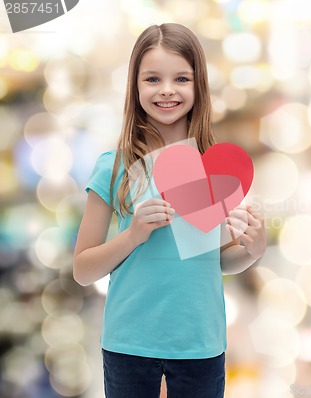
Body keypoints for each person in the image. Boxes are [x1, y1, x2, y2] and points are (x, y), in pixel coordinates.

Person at [73, 23, 266, 398]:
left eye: (181, 78)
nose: (166, 90)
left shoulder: (218, 167)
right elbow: (82, 270)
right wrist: (133, 235)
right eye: (152, 79)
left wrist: (253, 249)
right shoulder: (115, 167)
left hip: (200, 343)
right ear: (135, 87)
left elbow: (217, 261)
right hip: (129, 343)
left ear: (199, 86)